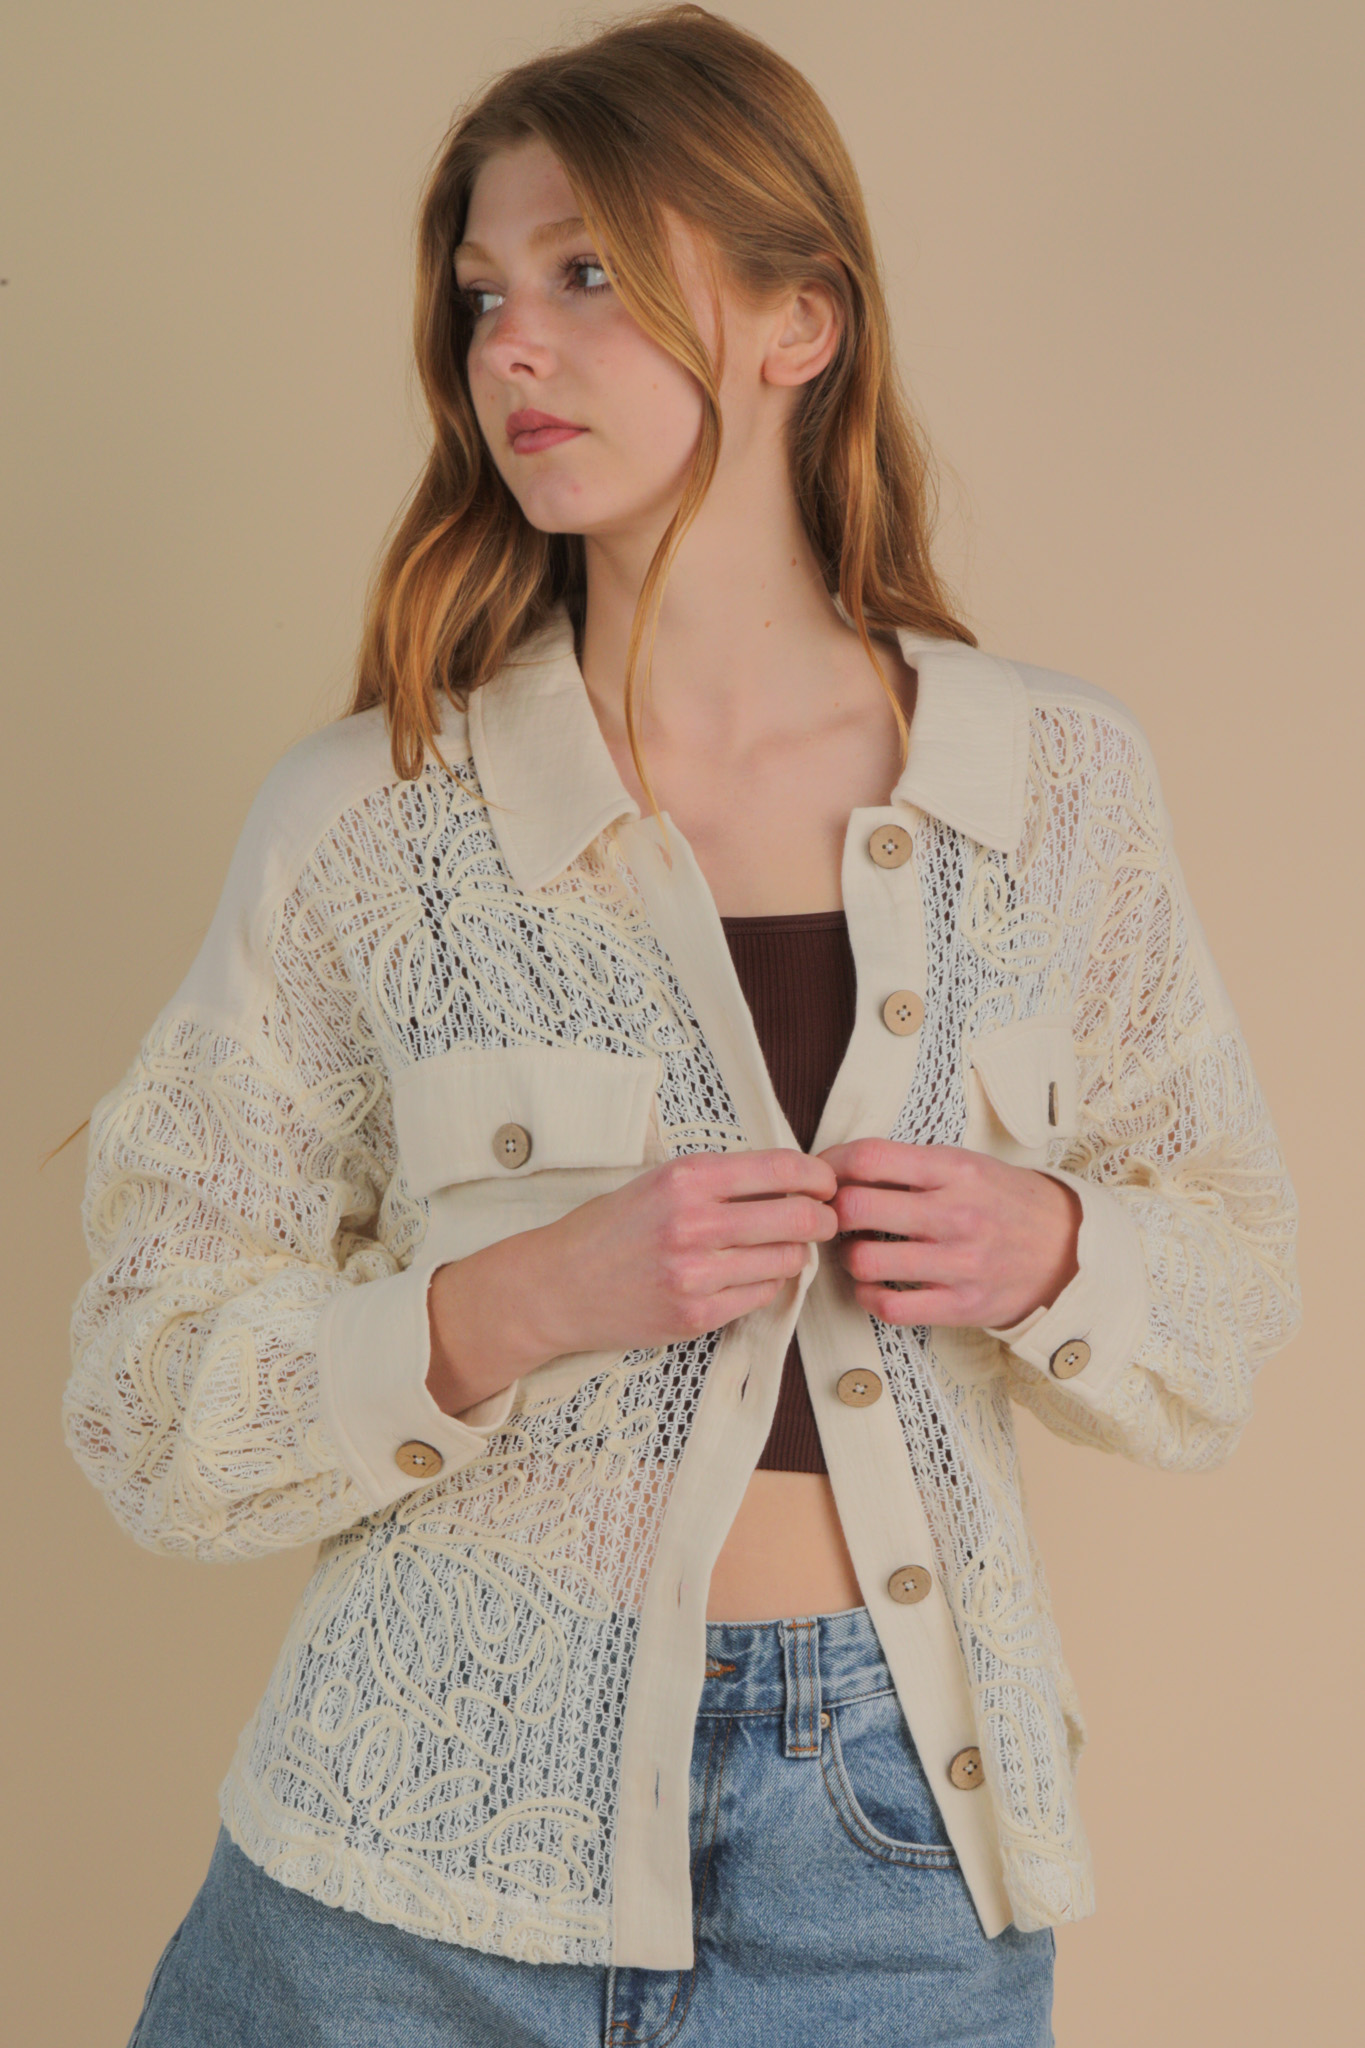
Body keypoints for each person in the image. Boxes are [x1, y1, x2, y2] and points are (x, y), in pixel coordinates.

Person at [63, 7, 1302, 2045]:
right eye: (481, 296)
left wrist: (1053, 1246)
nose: (510, 351)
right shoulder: (370, 820)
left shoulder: (1054, 789)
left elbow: (1236, 1276)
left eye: (585, 275)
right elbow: (145, 1392)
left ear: (801, 321)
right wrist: (510, 1300)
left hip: (895, 1852)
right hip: (409, 1860)